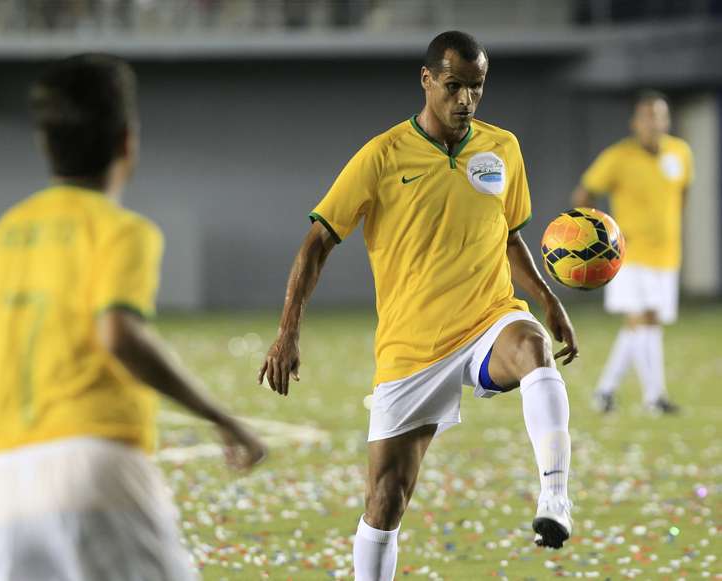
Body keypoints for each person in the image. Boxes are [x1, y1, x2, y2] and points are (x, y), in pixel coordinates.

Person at [259, 30, 579, 580]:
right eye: (454, 86)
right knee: (385, 501)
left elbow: (508, 235)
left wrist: (547, 300)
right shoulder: (381, 156)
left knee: (532, 347)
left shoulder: (502, 148)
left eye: (476, 89)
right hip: (412, 348)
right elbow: (317, 242)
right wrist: (288, 332)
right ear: (427, 80)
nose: (465, 101)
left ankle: (555, 498)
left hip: (487, 319)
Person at [0, 54, 266, 581]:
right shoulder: (123, 232)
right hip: (99, 476)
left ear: (46, 146)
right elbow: (117, 333)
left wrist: (22, 431)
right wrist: (221, 418)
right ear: (127, 142)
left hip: (2, 494)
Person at [572, 91, 693, 415]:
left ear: (667, 120)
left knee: (641, 325)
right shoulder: (618, 157)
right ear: (635, 123)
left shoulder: (680, 153)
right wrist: (592, 236)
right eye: (647, 116)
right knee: (642, 319)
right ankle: (655, 397)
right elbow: (585, 190)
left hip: (667, 254)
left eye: (659, 116)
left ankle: (605, 391)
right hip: (628, 253)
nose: (653, 123)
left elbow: (684, 191)